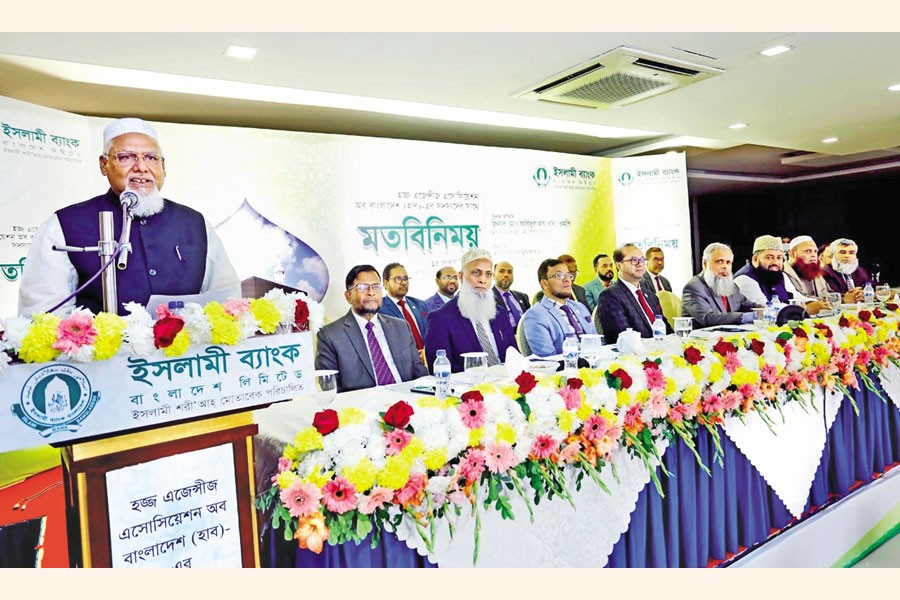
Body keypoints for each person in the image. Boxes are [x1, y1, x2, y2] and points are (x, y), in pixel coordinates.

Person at [18, 117, 240, 317]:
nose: (141, 167)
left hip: (189, 349)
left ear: (163, 166)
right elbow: (43, 316)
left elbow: (226, 299)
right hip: (99, 351)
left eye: (151, 158)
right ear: (104, 165)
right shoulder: (65, 224)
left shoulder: (195, 223)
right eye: (126, 157)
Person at [316, 265, 427, 392]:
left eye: (376, 286)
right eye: (363, 287)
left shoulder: (401, 326)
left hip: (407, 398)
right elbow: (331, 387)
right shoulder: (330, 335)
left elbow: (420, 373)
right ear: (348, 296)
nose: (371, 292)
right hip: (362, 403)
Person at [424, 248, 517, 374]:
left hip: (506, 382)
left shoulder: (499, 313)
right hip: (468, 384)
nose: (483, 280)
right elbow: (440, 373)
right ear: (461, 276)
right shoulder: (440, 319)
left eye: (488, 274)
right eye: (476, 273)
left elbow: (515, 357)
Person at [521, 258, 597, 357]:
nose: (567, 280)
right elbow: (548, 358)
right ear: (545, 284)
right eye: (559, 275)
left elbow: (597, 342)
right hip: (566, 365)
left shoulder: (580, 307)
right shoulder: (535, 315)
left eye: (569, 275)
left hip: (593, 361)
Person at [597, 244, 671, 344]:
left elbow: (667, 331)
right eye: (634, 260)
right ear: (619, 265)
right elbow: (623, 338)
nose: (640, 264)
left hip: (662, 349)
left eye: (642, 260)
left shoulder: (651, 297)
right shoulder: (610, 296)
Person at [734, 235, 827, 315]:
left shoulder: (780, 275)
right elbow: (765, 308)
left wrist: (815, 303)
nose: (775, 262)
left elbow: (796, 296)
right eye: (769, 257)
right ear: (755, 259)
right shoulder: (745, 279)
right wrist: (804, 309)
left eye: (779, 258)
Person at [682, 242, 756, 328]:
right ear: (705, 264)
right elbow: (708, 318)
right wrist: (744, 317)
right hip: (703, 335)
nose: (725, 266)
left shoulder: (732, 287)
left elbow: (751, 306)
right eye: (719, 261)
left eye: (728, 262)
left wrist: (766, 311)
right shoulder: (693, 288)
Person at [378, 262, 428, 363]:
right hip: (403, 363)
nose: (404, 282)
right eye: (398, 279)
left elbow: (430, 332)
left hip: (428, 359)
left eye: (406, 278)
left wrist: (426, 352)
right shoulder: (379, 309)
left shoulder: (420, 304)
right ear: (386, 283)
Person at [822, 238, 870, 302]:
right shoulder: (825, 273)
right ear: (833, 255)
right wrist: (848, 297)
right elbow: (830, 296)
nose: (847, 256)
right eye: (842, 252)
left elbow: (872, 288)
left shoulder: (860, 271)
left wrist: (864, 293)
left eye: (851, 253)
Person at [783, 235, 830, 299]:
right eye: (808, 251)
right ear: (792, 254)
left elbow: (829, 294)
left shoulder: (817, 274)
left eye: (815, 251)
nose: (813, 255)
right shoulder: (784, 275)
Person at [492, 260, 530, 330]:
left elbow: (531, 319)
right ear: (493, 275)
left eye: (510, 272)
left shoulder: (523, 297)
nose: (506, 275)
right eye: (501, 271)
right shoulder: (488, 298)